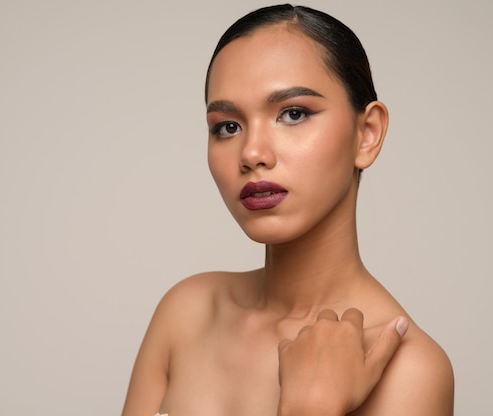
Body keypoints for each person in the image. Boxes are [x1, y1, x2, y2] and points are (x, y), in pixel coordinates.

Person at [122, 4, 454, 415]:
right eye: (228, 126)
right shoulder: (186, 313)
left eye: (293, 114)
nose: (252, 153)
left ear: (366, 134)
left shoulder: (407, 370)